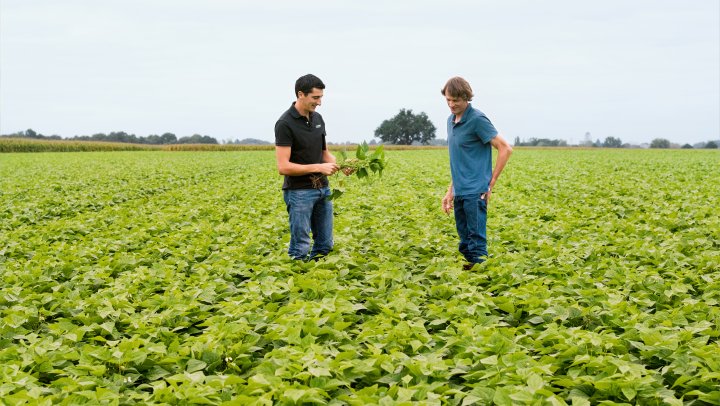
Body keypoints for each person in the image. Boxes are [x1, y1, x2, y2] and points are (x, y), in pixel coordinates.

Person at [440, 76, 513, 269]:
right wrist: (450, 191)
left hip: (475, 191)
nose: (451, 104)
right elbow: (460, 160)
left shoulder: (477, 119)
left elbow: (505, 148)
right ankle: (469, 281)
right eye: (448, 100)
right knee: (465, 241)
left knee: (476, 242)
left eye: (455, 100)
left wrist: (490, 183)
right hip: (460, 191)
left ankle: (481, 285)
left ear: (466, 98)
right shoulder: (451, 121)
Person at [275, 74, 339, 260]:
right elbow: (283, 167)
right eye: (315, 98)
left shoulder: (318, 118)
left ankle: (318, 282)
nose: (319, 102)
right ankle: (298, 283)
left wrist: (340, 166)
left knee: (325, 245)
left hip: (323, 189)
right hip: (299, 192)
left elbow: (324, 153)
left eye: (321, 97)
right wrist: (319, 168)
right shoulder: (285, 123)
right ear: (300, 94)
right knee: (301, 246)